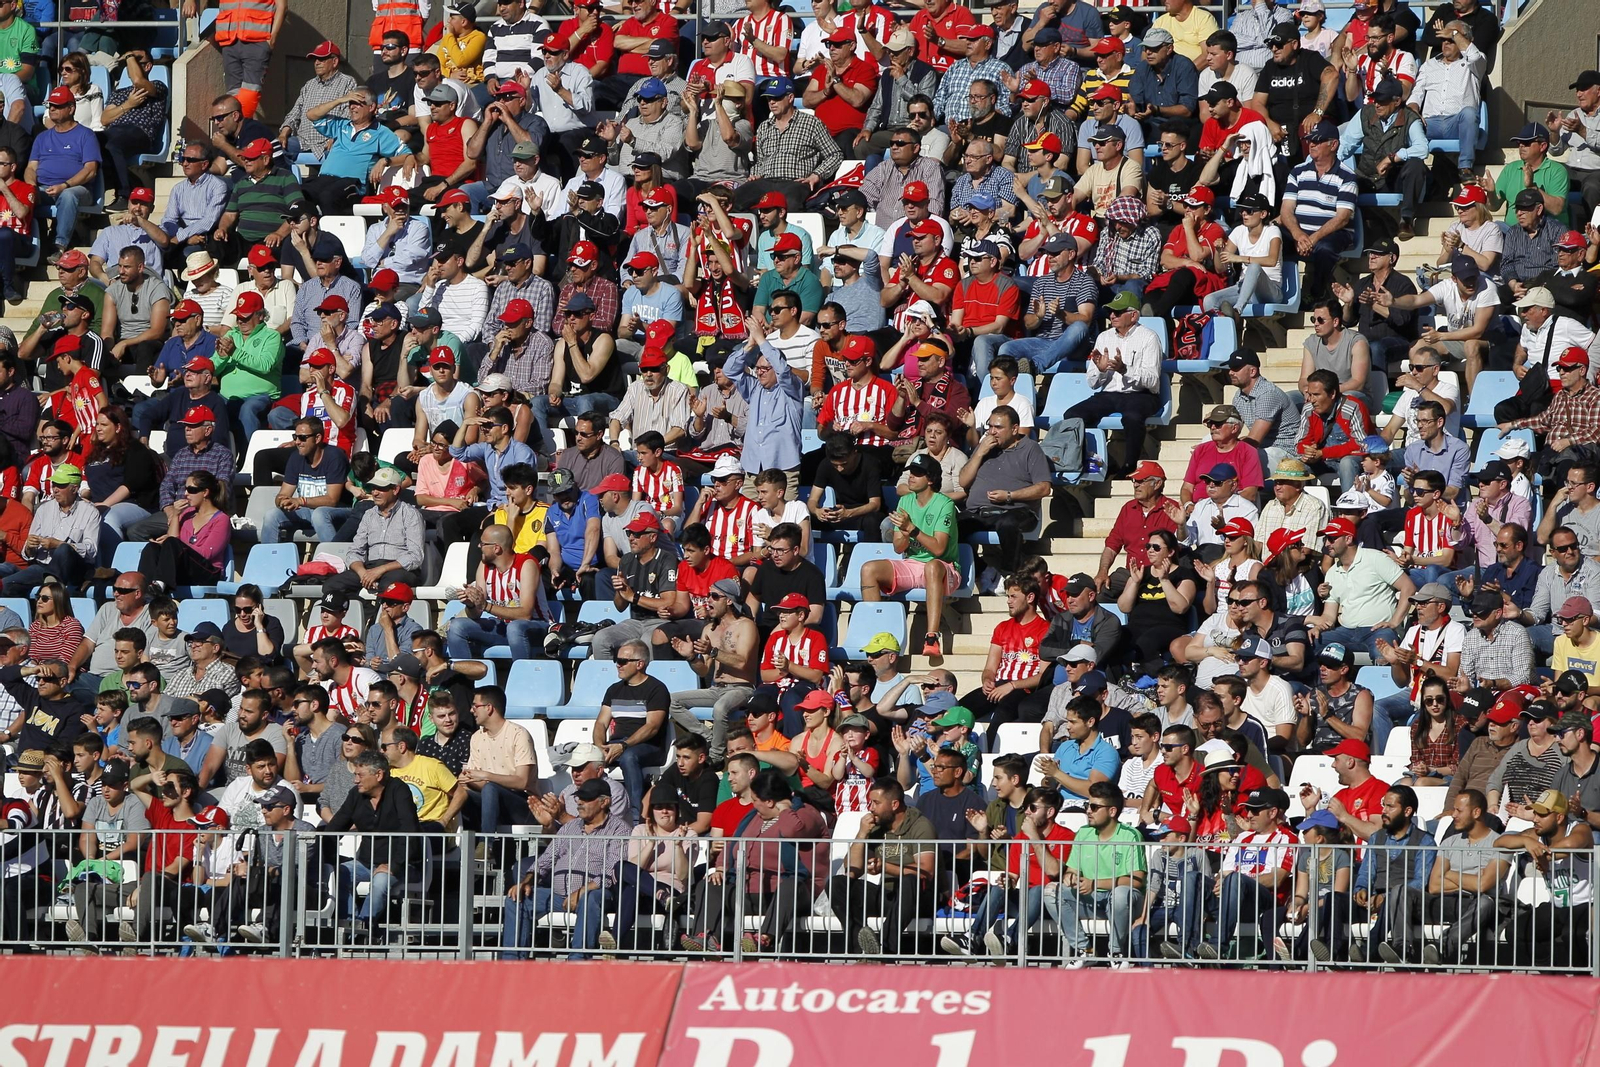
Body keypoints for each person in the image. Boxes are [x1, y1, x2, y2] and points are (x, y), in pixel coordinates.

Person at [1045, 780, 1146, 967]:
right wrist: (1071, 878)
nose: (1088, 811)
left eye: (1094, 806)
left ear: (1112, 811)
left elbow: (1136, 879)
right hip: (1091, 897)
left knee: (1121, 894)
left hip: (1123, 902)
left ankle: (1116, 952)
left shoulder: (1130, 835)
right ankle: (1085, 951)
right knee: (1052, 891)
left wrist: (1095, 883)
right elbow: (1072, 870)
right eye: (1087, 805)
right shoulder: (1083, 833)